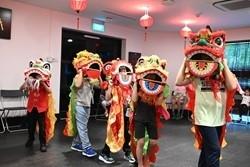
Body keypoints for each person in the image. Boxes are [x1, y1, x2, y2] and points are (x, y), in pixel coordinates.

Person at [176, 57, 236, 167]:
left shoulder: (224, 77)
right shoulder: (198, 75)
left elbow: (232, 86)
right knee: (214, 150)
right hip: (203, 119)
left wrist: (225, 65)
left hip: (219, 120)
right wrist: (184, 62)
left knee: (206, 150)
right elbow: (178, 81)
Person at [98, 66, 136, 164]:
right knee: (113, 132)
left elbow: (132, 99)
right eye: (121, 71)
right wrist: (110, 86)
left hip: (127, 113)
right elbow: (106, 99)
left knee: (127, 133)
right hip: (115, 114)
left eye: (125, 71)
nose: (124, 73)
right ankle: (104, 153)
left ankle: (127, 152)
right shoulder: (113, 84)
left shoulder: (130, 85)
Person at [131, 81, 164, 167]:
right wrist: (135, 85)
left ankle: (146, 158)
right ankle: (140, 164)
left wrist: (162, 91)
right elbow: (134, 100)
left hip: (151, 118)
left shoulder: (158, 87)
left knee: (153, 142)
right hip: (140, 117)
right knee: (140, 142)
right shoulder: (139, 85)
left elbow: (158, 104)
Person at [69, 69, 98, 157]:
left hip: (87, 106)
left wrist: (98, 74)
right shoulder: (77, 77)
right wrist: (81, 72)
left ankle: (75, 143)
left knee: (81, 127)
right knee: (83, 128)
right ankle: (87, 147)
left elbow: (100, 85)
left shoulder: (89, 79)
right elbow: (78, 85)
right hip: (79, 105)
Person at [20, 77, 51, 152]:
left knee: (42, 127)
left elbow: (49, 91)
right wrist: (26, 81)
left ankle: (43, 143)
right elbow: (21, 88)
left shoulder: (45, 81)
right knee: (31, 126)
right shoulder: (31, 81)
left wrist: (42, 83)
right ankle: (31, 139)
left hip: (41, 108)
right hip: (31, 107)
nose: (36, 76)